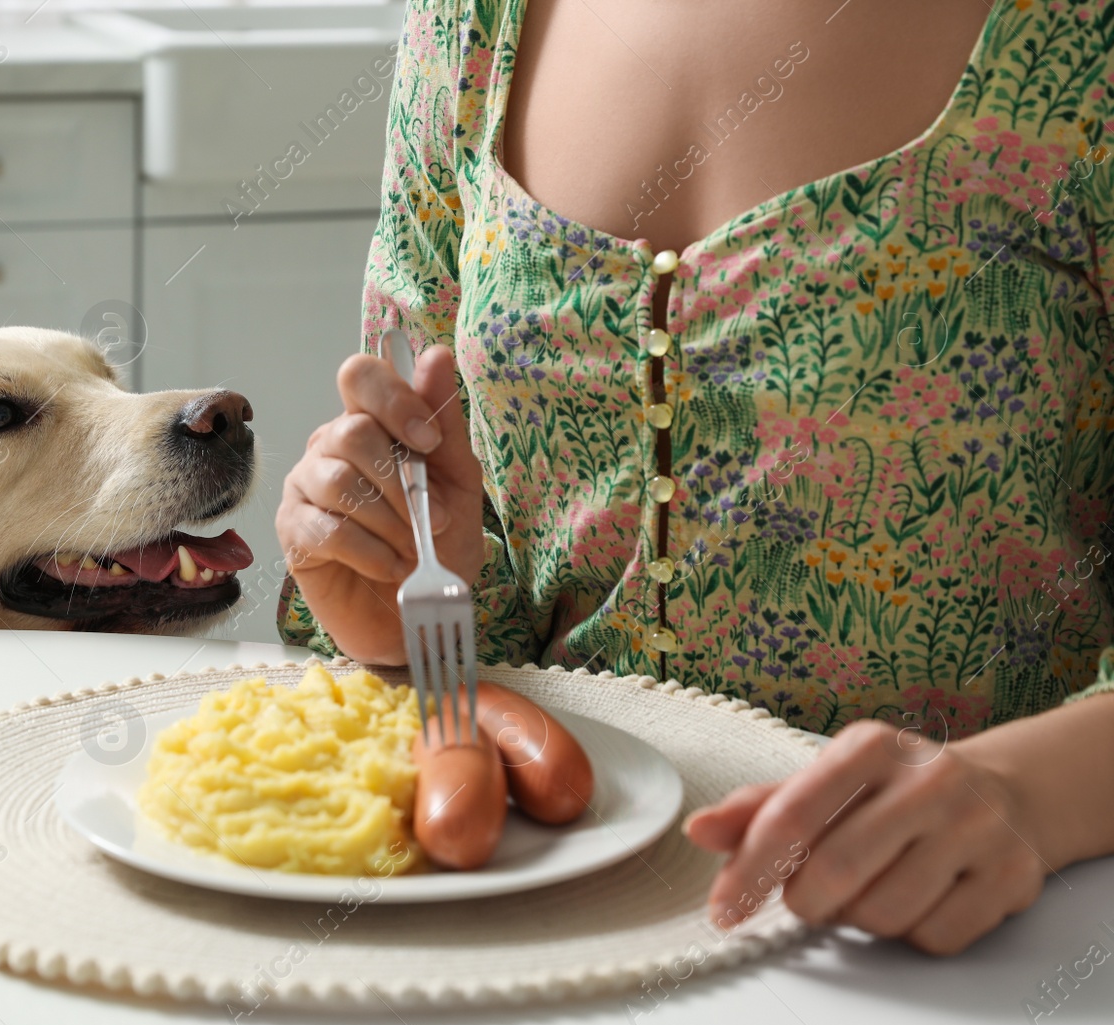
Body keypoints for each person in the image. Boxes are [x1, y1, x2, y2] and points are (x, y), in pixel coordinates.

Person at [275, 0, 1114, 955]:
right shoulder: (469, 22)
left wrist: (1027, 793)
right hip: (534, 923)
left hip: (971, 958)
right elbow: (445, 499)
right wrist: (412, 600)